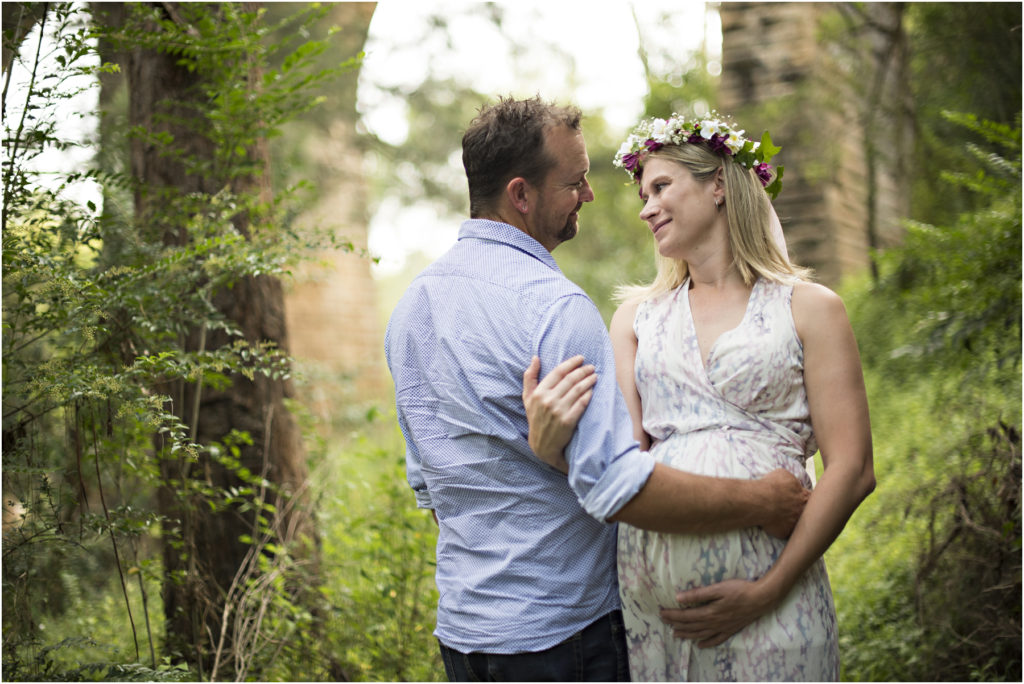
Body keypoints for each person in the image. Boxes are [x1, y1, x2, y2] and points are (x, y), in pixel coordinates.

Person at [384, 96, 810, 682]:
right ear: (521, 196)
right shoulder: (554, 307)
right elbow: (618, 486)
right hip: (566, 634)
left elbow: (431, 488)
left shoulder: (412, 311)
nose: (587, 195)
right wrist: (765, 501)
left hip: (466, 637)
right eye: (575, 182)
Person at [525, 112, 876, 681]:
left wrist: (766, 590)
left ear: (718, 184)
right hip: (657, 611)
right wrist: (553, 445)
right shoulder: (635, 319)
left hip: (776, 596)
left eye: (661, 186)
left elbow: (854, 468)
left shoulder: (810, 308)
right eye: (643, 194)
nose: (645, 207)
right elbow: (621, 458)